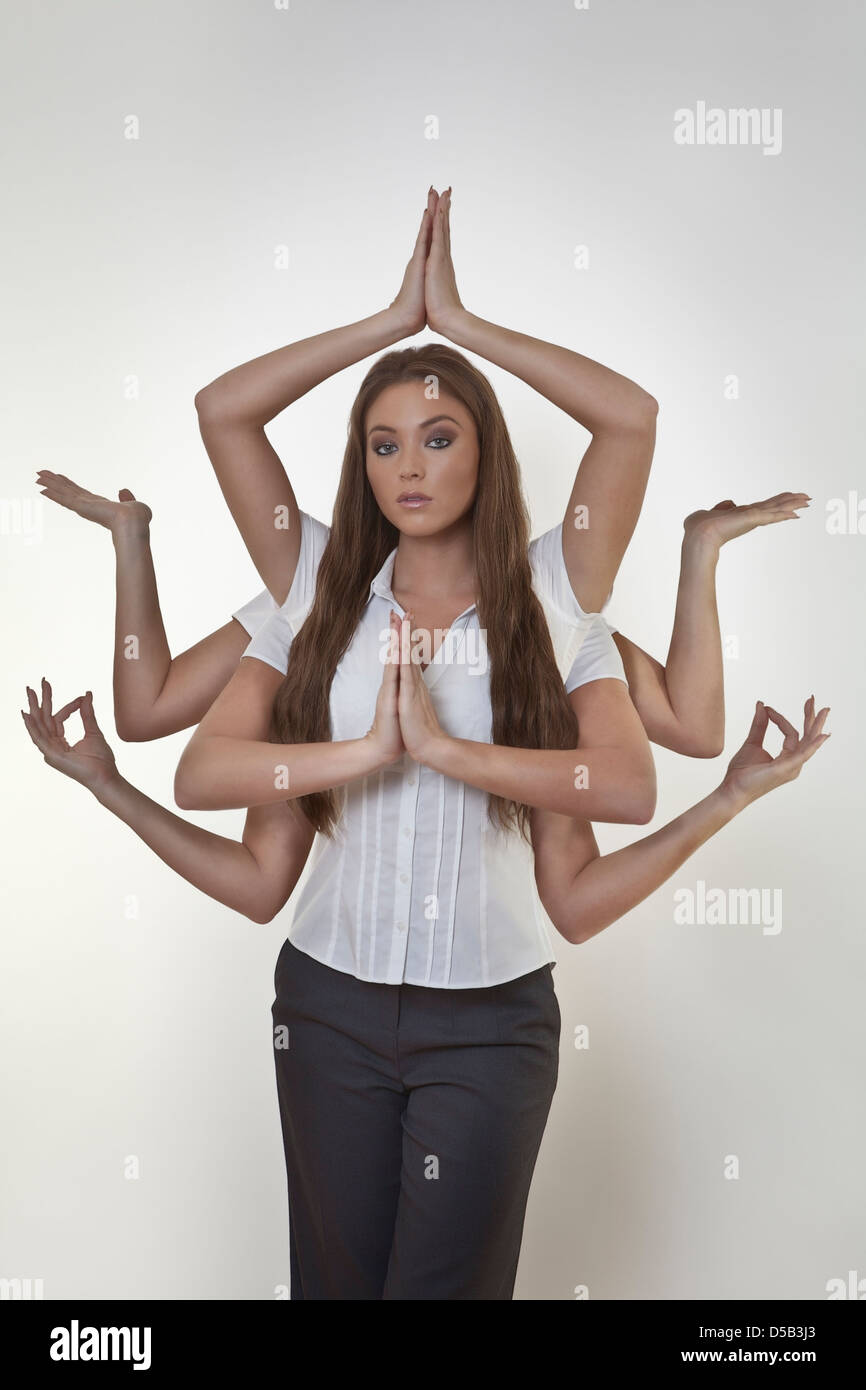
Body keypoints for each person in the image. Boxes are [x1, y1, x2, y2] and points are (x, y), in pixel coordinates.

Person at [22, 186, 828, 1298]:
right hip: (325, 1008)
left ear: (482, 456)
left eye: (438, 437)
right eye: (383, 443)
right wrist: (389, 323)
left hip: (489, 1027)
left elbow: (629, 421)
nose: (408, 464)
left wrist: (459, 325)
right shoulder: (313, 586)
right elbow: (222, 413)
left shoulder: (555, 596)